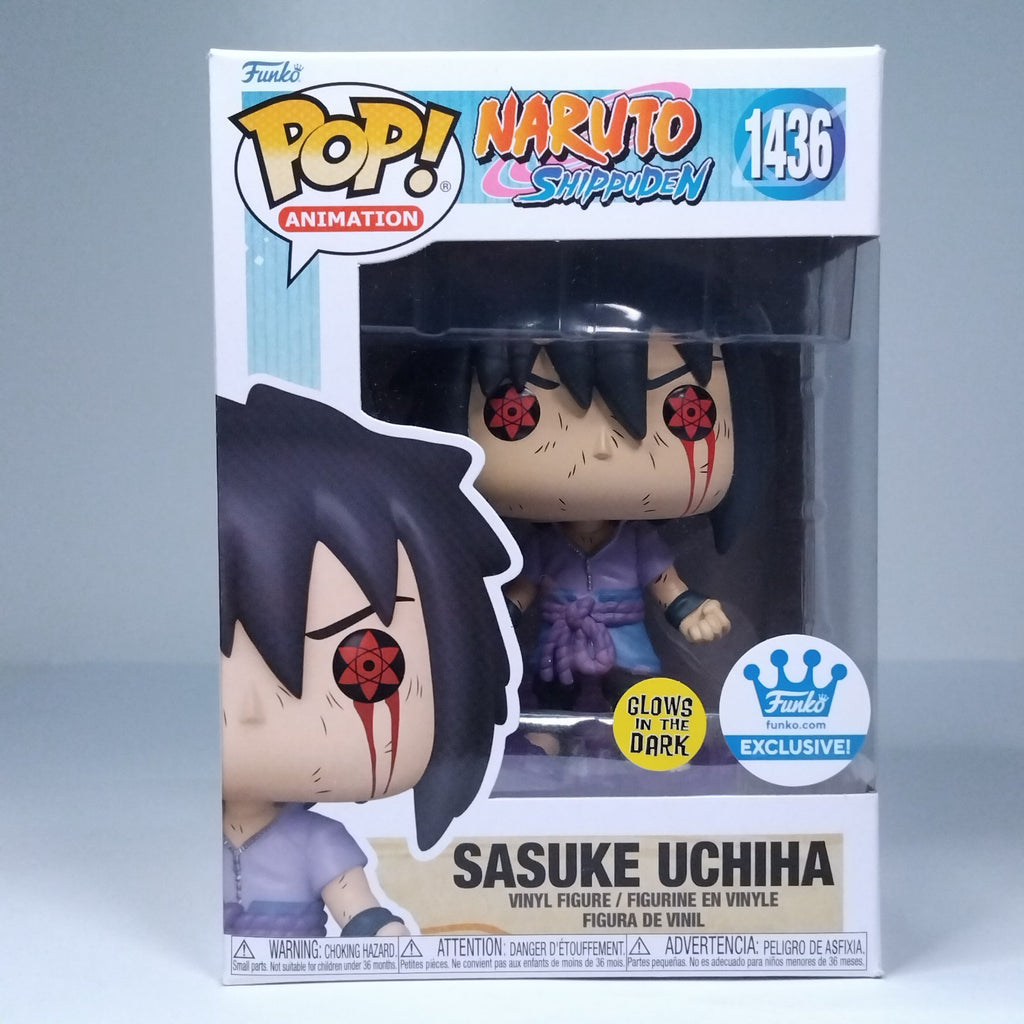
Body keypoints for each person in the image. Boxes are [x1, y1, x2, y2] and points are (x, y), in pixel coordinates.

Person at [217, 385, 514, 936]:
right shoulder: (171, 839)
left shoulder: (316, 842)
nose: (249, 708)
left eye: (353, 656)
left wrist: (382, 933)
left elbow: (359, 910)